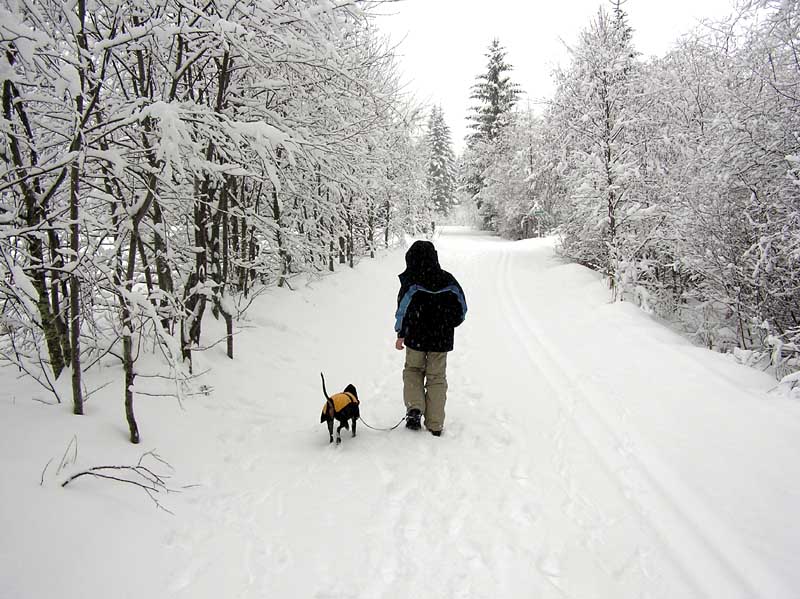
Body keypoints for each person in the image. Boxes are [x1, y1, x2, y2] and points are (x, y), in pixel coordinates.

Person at [394, 240, 467, 436]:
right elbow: (461, 309)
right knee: (436, 378)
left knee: (413, 370)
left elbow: (402, 311)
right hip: (441, 339)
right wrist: (447, 325)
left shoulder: (411, 282)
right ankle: (435, 424)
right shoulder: (448, 280)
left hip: (415, 338)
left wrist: (400, 334)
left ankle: (415, 409)